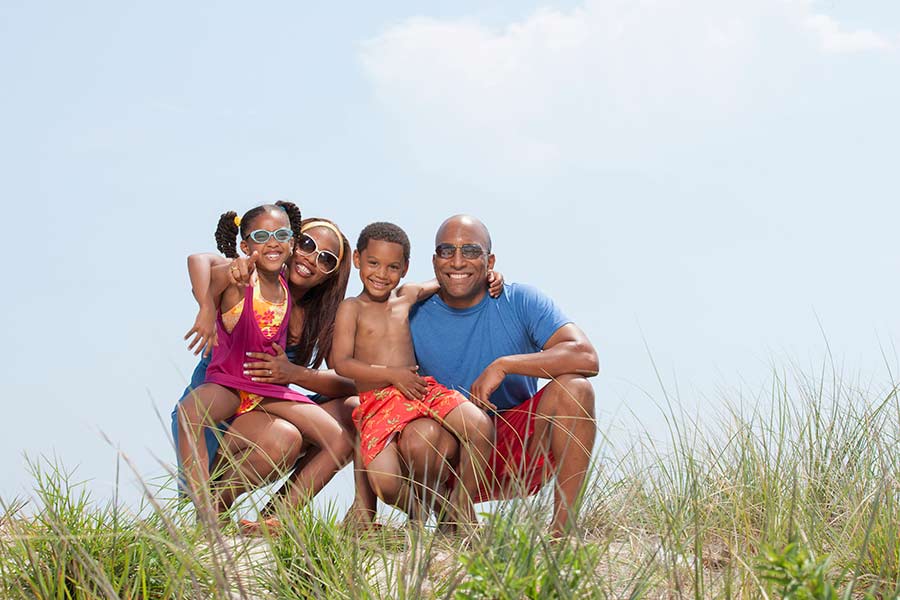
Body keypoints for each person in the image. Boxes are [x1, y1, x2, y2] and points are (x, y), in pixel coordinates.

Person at [402, 214, 600, 536]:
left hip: (516, 449)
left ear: (489, 260)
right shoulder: (411, 311)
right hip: (451, 452)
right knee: (417, 435)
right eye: (446, 251)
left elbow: (586, 357)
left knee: (576, 388)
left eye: (470, 251)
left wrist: (504, 364)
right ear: (434, 260)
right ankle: (453, 520)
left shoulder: (519, 299)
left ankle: (563, 534)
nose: (457, 260)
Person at [174, 206, 365, 523]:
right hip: (226, 401)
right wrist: (206, 306)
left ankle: (276, 520)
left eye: (326, 259)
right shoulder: (247, 275)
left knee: (352, 413)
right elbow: (201, 261)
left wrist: (293, 374)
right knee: (283, 436)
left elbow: (350, 379)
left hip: (266, 396)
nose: (311, 258)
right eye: (307, 244)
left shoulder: (319, 316)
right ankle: (208, 514)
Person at [332, 222, 499, 528]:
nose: (382, 274)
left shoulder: (405, 295)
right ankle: (423, 512)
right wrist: (392, 374)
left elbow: (447, 281)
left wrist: (488, 275)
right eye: (373, 264)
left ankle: (462, 510)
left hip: (419, 391)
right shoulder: (351, 308)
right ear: (357, 259)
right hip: (378, 402)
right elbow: (340, 362)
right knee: (386, 482)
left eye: (392, 267)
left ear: (405, 267)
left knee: (479, 426)